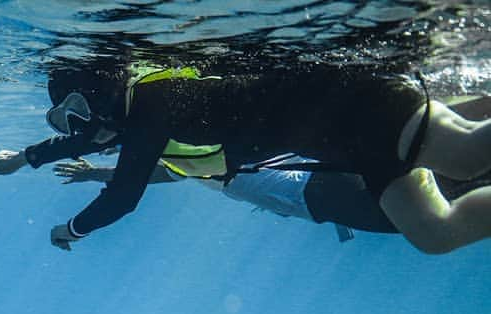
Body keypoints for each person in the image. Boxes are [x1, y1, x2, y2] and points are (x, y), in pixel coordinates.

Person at [0, 64, 491, 254]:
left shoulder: (153, 107)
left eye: (77, 112)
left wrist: (71, 229)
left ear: (102, 93)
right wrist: (25, 157)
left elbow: (121, 199)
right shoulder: (132, 116)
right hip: (345, 144)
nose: (76, 129)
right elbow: (89, 139)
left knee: (467, 157)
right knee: (433, 233)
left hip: (355, 107)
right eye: (63, 119)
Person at [54, 94, 491, 241]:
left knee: (412, 211)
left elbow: (168, 173)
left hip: (301, 188)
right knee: (425, 147)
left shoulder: (164, 141)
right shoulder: (175, 124)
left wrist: (97, 177)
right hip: (312, 169)